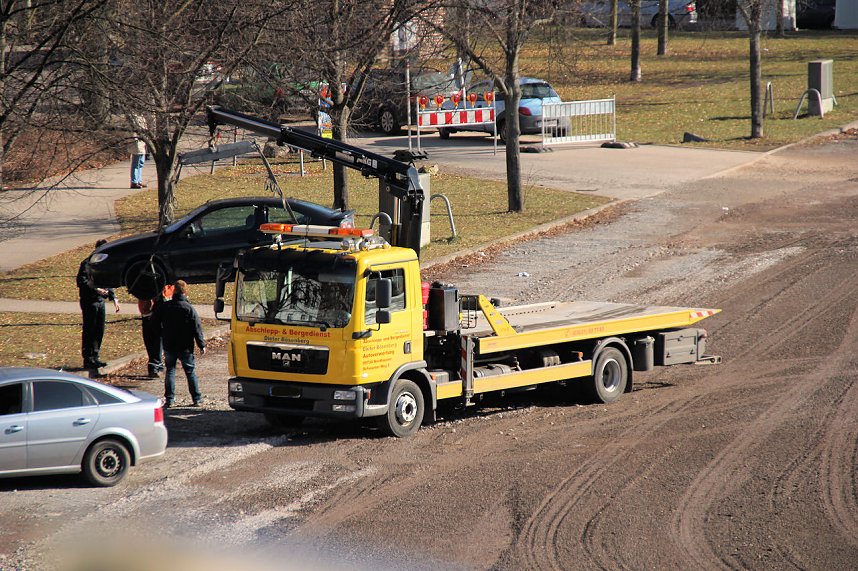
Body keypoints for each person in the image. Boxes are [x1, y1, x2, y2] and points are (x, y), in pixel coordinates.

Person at [155, 280, 206, 407]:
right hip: (185, 346)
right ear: (185, 291)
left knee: (170, 371)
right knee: (190, 372)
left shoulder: (166, 307)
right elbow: (196, 328)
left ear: (174, 291)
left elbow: (154, 322)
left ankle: (170, 399)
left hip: (169, 344)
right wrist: (201, 344)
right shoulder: (189, 308)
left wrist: (162, 333)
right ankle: (196, 398)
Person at [77, 239, 121, 370]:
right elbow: (81, 281)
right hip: (89, 301)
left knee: (99, 330)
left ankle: (95, 356)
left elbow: (107, 281)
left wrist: (113, 297)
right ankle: (88, 358)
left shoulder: (103, 264)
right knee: (90, 329)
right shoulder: (87, 263)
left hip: (100, 302)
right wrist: (96, 289)